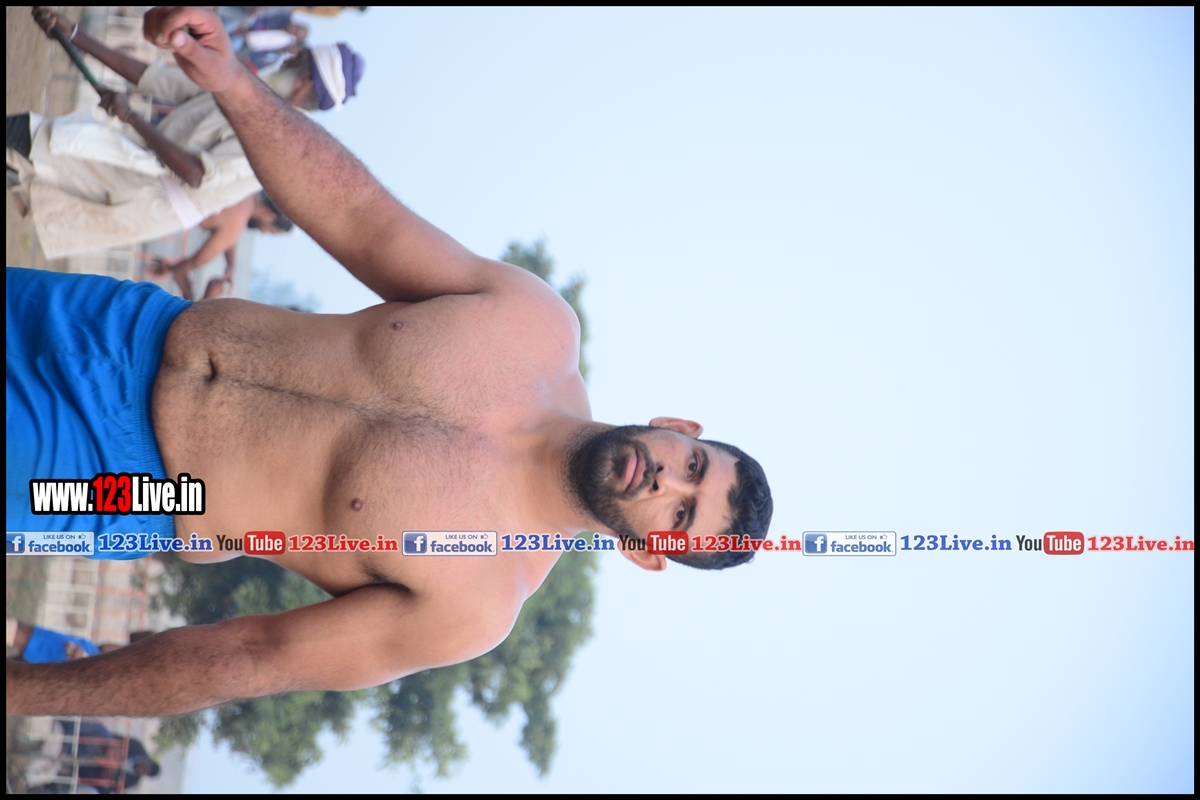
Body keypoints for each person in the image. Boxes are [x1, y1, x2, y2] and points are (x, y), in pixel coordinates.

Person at [6, 6, 772, 720]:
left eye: (680, 515)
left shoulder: (474, 602)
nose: (667, 481)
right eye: (693, 466)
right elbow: (357, 214)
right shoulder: (536, 326)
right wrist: (234, 82)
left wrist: (23, 692)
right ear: (679, 428)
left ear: (646, 552)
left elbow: (251, 657)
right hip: (127, 326)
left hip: (129, 483)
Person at [5, 7, 363, 260]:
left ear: (303, 82)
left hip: (152, 192)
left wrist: (133, 118)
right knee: (26, 154)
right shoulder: (249, 87)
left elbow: (195, 175)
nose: (287, 58)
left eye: (297, 60)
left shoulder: (278, 141)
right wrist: (74, 35)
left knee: (30, 140)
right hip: (138, 160)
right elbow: (154, 79)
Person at [149, 191, 293, 300]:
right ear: (269, 216)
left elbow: (229, 236)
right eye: (270, 231)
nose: (263, 233)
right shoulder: (235, 228)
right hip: (159, 206)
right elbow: (184, 270)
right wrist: (198, 300)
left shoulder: (245, 192)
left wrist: (230, 266)